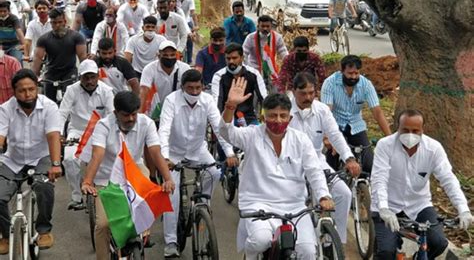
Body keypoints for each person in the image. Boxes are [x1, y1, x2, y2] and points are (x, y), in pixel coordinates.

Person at [219, 81, 334, 259]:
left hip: (294, 206)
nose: (278, 120)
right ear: (263, 117)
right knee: (260, 240)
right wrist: (231, 106)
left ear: (291, 118)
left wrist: (323, 196)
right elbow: (226, 132)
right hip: (258, 204)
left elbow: (314, 171)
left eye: (283, 116)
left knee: (308, 252)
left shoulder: (301, 140)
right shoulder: (251, 135)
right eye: (272, 116)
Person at [80, 91, 175, 259]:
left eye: (134, 114)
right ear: (115, 112)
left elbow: (154, 151)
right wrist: (88, 182)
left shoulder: (147, 123)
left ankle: (142, 231)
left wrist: (168, 179)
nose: (131, 119)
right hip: (107, 174)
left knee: (146, 203)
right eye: (126, 115)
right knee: (103, 224)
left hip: (134, 169)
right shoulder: (104, 125)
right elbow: (97, 155)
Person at [371, 109, 473, 259]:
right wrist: (384, 209)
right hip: (388, 206)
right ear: (397, 128)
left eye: (415, 130)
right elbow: (379, 179)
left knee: (438, 243)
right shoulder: (385, 146)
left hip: (419, 205)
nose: (410, 135)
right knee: (386, 252)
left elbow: (448, 179)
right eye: (405, 130)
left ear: (422, 130)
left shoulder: (433, 149)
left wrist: (463, 209)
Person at [158, 69, 234, 257]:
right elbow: (164, 130)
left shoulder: (207, 100)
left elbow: (219, 128)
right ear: (182, 87)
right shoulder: (171, 101)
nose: (194, 92)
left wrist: (230, 152)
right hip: (173, 154)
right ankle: (171, 242)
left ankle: (203, 205)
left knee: (215, 172)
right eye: (190, 88)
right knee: (171, 196)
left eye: (198, 88)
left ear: (203, 87)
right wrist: (165, 158)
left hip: (197, 149)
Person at [288, 72, 359, 246]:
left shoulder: (321, 110)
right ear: (293, 91)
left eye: (312, 93)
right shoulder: (285, 110)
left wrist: (349, 158)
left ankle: (334, 243)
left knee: (343, 193)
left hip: (317, 161)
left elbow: (335, 135)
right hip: (290, 163)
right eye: (303, 93)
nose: (308, 97)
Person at [0, 69, 62, 254]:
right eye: (22, 91)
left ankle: (43, 230)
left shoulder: (50, 107)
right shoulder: (5, 109)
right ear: (14, 92)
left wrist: (56, 164)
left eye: (31, 89)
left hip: (40, 157)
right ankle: (5, 234)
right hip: (13, 159)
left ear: (37, 88)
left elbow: (53, 136)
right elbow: (1, 137)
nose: (27, 94)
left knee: (44, 187)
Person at [59, 60, 114, 210]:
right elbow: (62, 113)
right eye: (85, 77)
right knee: (69, 159)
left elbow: (112, 115)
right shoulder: (72, 90)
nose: (89, 81)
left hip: (100, 132)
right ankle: (77, 196)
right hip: (77, 131)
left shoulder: (106, 91)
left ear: (98, 76)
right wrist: (58, 133)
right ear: (80, 78)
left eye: (92, 77)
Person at [321, 54, 391, 173]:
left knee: (369, 164)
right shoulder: (330, 83)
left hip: (356, 126)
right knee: (331, 165)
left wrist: (390, 138)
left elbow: (377, 112)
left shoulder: (366, 85)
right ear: (342, 71)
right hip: (335, 125)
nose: (353, 77)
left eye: (356, 73)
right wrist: (327, 137)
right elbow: (326, 113)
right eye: (350, 73)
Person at [32, 8, 87, 102]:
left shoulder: (76, 37)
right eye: (54, 23)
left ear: (65, 22)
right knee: (47, 100)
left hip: (69, 71)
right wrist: (33, 78)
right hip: (52, 72)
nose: (57, 25)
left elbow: (82, 57)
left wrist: (85, 73)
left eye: (59, 22)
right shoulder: (44, 39)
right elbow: (37, 59)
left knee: (70, 98)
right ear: (51, 23)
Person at [211, 42, 266, 126]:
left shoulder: (254, 74)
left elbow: (263, 97)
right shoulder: (218, 76)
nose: (231, 61)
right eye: (228, 58)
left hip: (249, 117)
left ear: (242, 58)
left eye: (234, 58)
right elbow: (217, 101)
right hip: (227, 118)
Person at [139, 40, 190, 121]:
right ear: (159, 56)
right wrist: (140, 115)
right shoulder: (149, 69)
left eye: (172, 55)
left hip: (178, 111)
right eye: (165, 55)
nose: (169, 58)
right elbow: (144, 91)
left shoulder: (185, 68)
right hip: (156, 112)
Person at [242, 15, 288, 92]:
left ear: (271, 26)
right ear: (258, 26)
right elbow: (244, 54)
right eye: (262, 26)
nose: (265, 28)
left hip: (271, 70)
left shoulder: (277, 37)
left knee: (275, 94)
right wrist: (246, 69)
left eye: (267, 26)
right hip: (254, 70)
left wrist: (287, 62)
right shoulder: (250, 38)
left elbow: (283, 51)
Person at [177, 0, 197, 64]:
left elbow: (192, 12)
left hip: (187, 21)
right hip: (177, 21)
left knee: (189, 39)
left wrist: (195, 26)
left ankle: (189, 60)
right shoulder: (175, 0)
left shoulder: (190, 0)